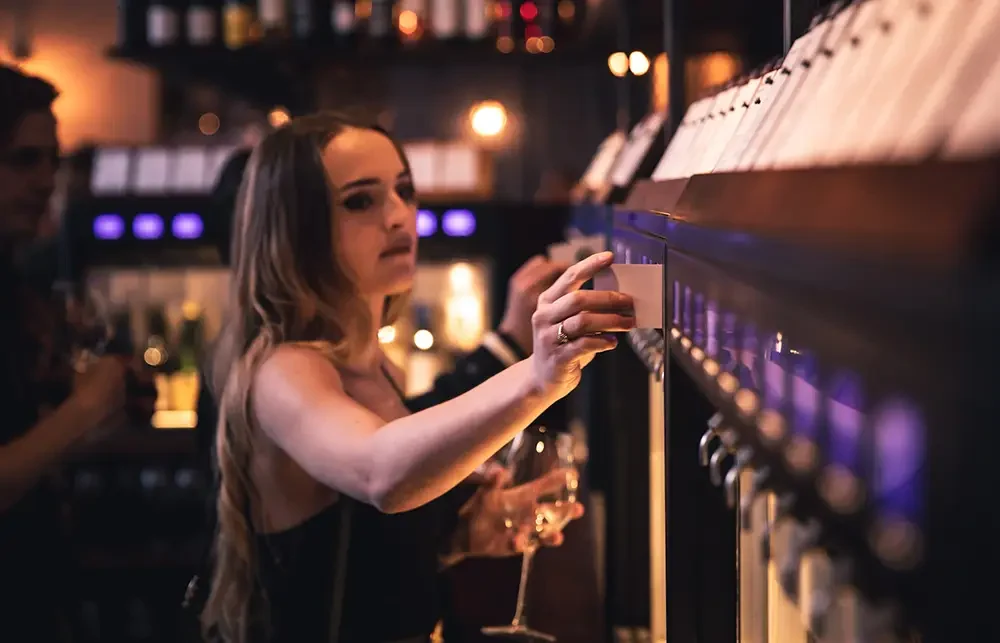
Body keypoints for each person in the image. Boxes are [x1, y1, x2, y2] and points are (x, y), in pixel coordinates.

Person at [200, 111, 634, 643]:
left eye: (404, 192)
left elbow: (356, 552)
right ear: (295, 228)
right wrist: (538, 375)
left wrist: (457, 535)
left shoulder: (376, 362)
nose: (399, 216)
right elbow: (380, 473)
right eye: (361, 200)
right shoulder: (281, 371)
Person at [0, 64, 132, 641]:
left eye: (52, 161)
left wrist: (60, 398)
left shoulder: (14, 285)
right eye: (23, 160)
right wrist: (82, 411)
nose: (45, 180)